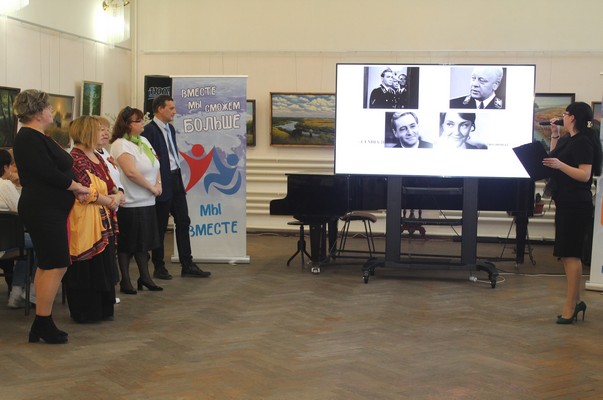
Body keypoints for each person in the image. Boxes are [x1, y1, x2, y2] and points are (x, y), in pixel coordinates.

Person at [12, 89, 90, 344]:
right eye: (47, 108)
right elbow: (47, 172)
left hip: (49, 208)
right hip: (43, 209)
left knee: (50, 263)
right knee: (56, 263)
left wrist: (74, 187)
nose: (51, 112)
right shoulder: (28, 138)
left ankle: (41, 322)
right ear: (37, 112)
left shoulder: (37, 137)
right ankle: (42, 322)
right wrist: (75, 186)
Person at [542, 102, 602, 324]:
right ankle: (576, 302)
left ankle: (570, 306)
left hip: (577, 203)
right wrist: (554, 134)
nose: (563, 117)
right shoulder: (568, 139)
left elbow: (584, 175)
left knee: (571, 254)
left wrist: (560, 165)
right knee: (566, 254)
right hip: (565, 201)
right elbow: (553, 158)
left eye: (565, 114)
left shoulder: (583, 141)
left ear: (573, 117)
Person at [142, 95, 211, 279]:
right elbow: (148, 160)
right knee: (160, 226)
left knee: (183, 221)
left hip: (175, 180)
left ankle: (187, 264)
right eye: (171, 108)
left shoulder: (170, 129)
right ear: (160, 109)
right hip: (162, 182)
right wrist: (156, 183)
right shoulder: (149, 131)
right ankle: (159, 266)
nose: (174, 111)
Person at [64, 116, 123, 323]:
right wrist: (111, 200)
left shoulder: (98, 156)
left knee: (103, 263)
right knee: (87, 264)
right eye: (100, 130)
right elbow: (85, 192)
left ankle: (104, 308)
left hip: (103, 218)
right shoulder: (75, 159)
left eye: (106, 129)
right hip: (85, 220)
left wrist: (117, 196)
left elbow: (111, 185)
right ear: (86, 132)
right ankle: (86, 311)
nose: (105, 133)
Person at [110, 106, 164, 294]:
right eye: (138, 120)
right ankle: (126, 281)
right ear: (127, 124)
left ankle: (145, 277)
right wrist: (151, 187)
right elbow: (131, 172)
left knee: (144, 243)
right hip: (131, 202)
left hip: (148, 201)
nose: (142, 123)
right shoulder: (120, 144)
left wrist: (158, 184)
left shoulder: (144, 141)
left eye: (142, 120)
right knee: (127, 244)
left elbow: (156, 164)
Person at [0, 149, 36, 308]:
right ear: (6, 167)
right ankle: (32, 290)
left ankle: (17, 292)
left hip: (8, 240)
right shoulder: (5, 185)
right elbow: (22, 211)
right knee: (41, 241)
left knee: (26, 245)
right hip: (6, 242)